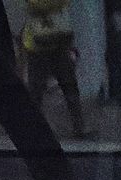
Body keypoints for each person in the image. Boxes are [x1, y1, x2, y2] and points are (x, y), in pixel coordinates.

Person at [19, 0, 86, 138]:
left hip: (56, 43)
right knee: (37, 90)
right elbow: (37, 4)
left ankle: (78, 127)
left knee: (69, 85)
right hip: (39, 46)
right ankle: (33, 130)